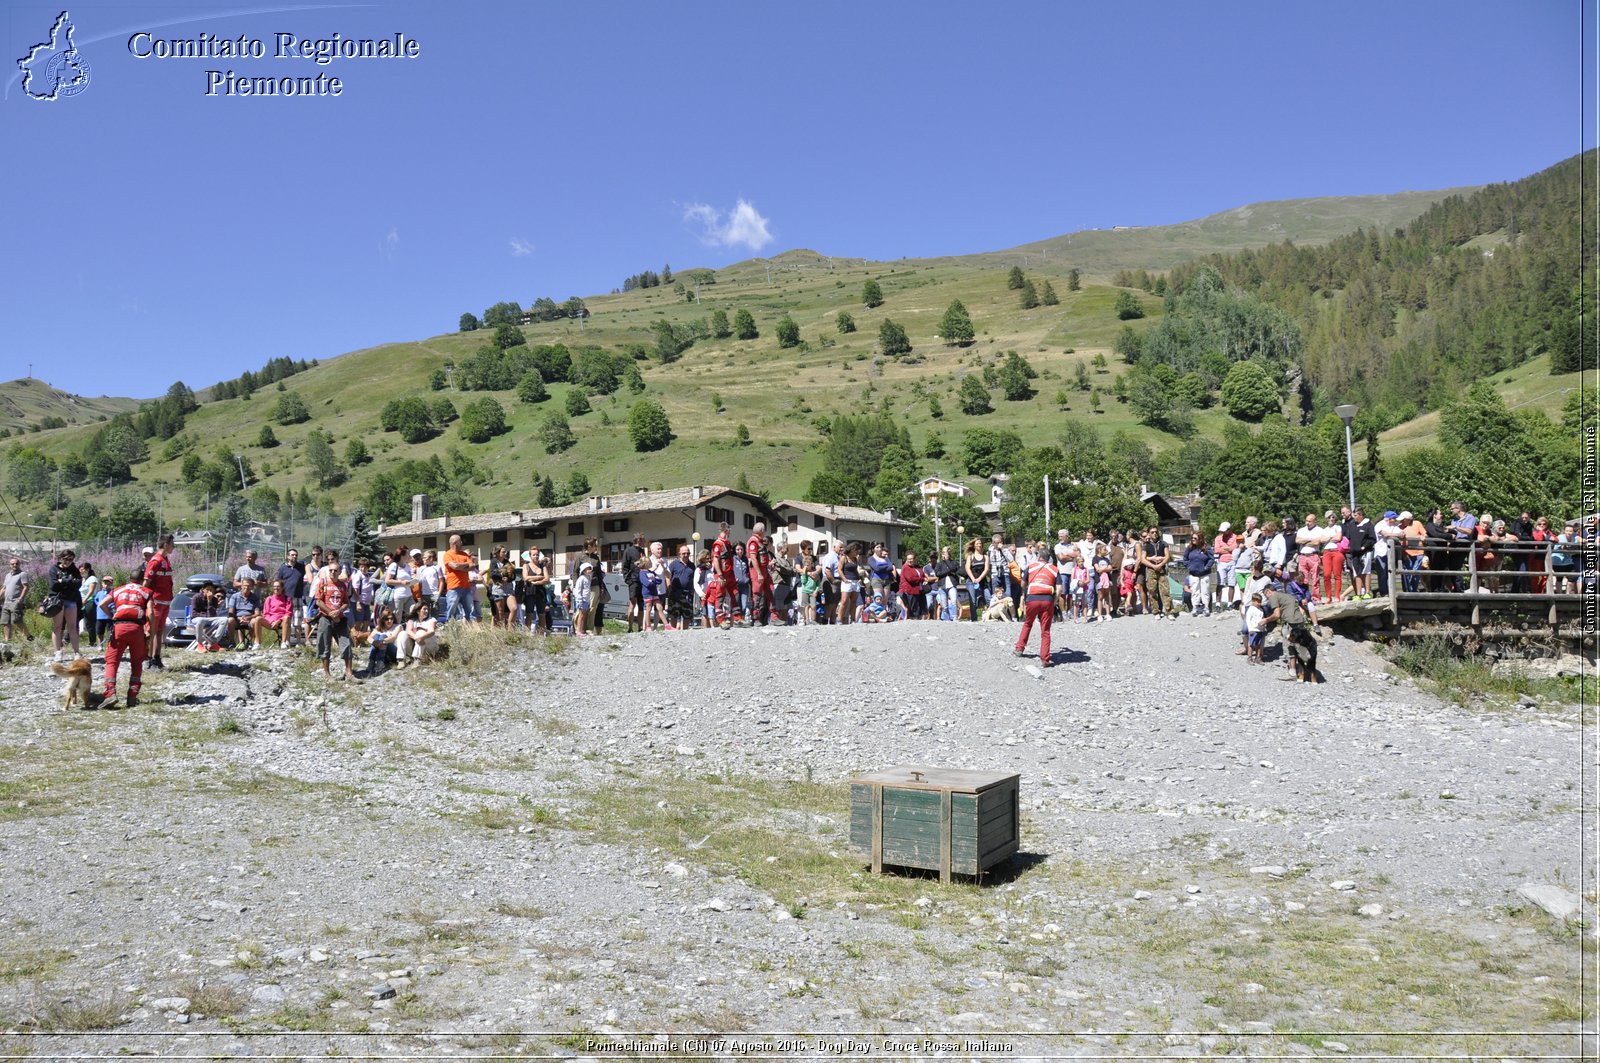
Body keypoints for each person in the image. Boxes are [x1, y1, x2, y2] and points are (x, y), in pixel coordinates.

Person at [97, 570, 156, 709]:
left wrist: (112, 615)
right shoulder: (146, 591)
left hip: (119, 628)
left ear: (129, 578)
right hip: (136, 629)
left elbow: (101, 604)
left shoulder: (118, 590)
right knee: (137, 663)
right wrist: (151, 631)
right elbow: (151, 612)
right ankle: (132, 696)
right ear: (142, 580)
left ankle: (110, 693)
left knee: (112, 662)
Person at [1262, 579, 1321, 683]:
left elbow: (1276, 614)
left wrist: (1265, 620)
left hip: (1290, 623)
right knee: (1301, 646)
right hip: (1300, 622)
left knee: (1289, 646)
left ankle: (1293, 672)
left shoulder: (1273, 596)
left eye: (1266, 595)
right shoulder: (1287, 595)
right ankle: (1305, 673)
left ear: (1268, 592)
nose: (1267, 598)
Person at [1013, 541, 1060, 666]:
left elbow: (1023, 583)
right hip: (1047, 599)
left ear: (1038, 556)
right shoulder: (1054, 569)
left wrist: (1025, 595)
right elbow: (1060, 589)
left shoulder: (1031, 566)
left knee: (1028, 623)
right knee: (1045, 630)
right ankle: (1045, 659)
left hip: (1032, 598)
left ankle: (1019, 649)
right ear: (1048, 558)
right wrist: (1054, 601)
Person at [316, 550, 358, 681]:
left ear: (340, 572)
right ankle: (327, 675)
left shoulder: (343, 586)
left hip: (340, 619)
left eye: (335, 571)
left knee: (346, 644)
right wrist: (330, 612)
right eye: (331, 570)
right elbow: (318, 601)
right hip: (325, 618)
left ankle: (349, 673)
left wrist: (338, 611)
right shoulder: (323, 583)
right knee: (324, 644)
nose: (333, 572)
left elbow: (346, 602)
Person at [47, 548, 83, 662]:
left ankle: (77, 652)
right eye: (65, 559)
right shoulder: (54, 569)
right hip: (57, 600)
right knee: (58, 627)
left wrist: (63, 581)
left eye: (71, 559)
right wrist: (69, 581)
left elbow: (78, 584)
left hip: (71, 600)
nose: (68, 561)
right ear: (60, 558)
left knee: (72, 627)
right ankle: (57, 651)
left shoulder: (75, 570)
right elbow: (53, 585)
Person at [442, 534, 479, 623]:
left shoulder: (464, 554)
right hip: (454, 588)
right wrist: (466, 564)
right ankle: (451, 631)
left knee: (470, 612)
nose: (462, 542)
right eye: (460, 541)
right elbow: (454, 566)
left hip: (466, 587)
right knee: (452, 612)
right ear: (455, 543)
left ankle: (470, 631)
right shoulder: (447, 555)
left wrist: (460, 566)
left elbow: (473, 566)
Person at [275, 547, 308, 645]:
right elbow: (279, 582)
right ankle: (286, 640)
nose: (294, 556)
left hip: (298, 597)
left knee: (298, 620)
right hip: (286, 598)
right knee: (287, 619)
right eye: (292, 555)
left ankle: (298, 642)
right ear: (288, 556)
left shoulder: (301, 567)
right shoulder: (283, 569)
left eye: (296, 555)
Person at [1139, 529, 1172, 620]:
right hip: (1151, 570)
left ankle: (1169, 611)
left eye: (1156, 532)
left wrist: (1161, 564)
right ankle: (1156, 611)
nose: (1154, 534)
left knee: (1165, 590)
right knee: (1152, 591)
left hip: (1162, 569)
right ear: (1149, 533)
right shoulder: (1146, 545)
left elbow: (1167, 556)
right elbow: (1143, 559)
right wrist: (1153, 566)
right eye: (1152, 532)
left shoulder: (1163, 543)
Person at [710, 524, 739, 629]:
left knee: (735, 594)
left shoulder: (727, 543)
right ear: (727, 530)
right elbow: (716, 560)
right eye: (729, 530)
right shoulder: (718, 544)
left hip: (729, 573)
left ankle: (738, 618)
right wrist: (720, 575)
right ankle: (721, 620)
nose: (730, 532)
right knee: (720, 596)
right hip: (722, 574)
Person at [187, 581, 230, 651]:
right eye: (207, 589)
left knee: (224, 619)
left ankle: (214, 643)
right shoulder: (196, 597)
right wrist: (204, 616)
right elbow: (194, 613)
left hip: (209, 619)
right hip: (197, 619)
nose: (209, 591)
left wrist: (209, 601)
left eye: (211, 590)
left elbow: (212, 615)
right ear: (203, 589)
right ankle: (200, 644)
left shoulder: (214, 599)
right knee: (201, 620)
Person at [395, 601, 440, 667]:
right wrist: (416, 637)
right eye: (424, 609)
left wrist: (421, 637)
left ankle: (417, 659)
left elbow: (431, 631)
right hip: (415, 646)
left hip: (429, 647)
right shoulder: (412, 620)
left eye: (427, 609)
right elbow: (408, 631)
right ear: (418, 611)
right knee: (402, 633)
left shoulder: (431, 620)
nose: (426, 611)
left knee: (421, 632)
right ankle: (401, 659)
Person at [226, 578, 265, 649]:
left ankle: (249, 642)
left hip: (249, 618)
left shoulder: (255, 597)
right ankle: (231, 642)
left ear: (252, 587)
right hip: (237, 618)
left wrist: (248, 618)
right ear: (241, 585)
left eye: (249, 586)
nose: (246, 587)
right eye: (245, 585)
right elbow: (230, 612)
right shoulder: (234, 596)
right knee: (230, 620)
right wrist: (239, 618)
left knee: (255, 621)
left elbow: (257, 613)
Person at [747, 523, 774, 626]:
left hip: (764, 570)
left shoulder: (759, 541)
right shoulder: (753, 541)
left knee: (771, 591)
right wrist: (759, 573)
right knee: (757, 595)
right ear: (762, 531)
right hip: (757, 571)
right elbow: (753, 558)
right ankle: (756, 618)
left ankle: (774, 617)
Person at [521, 548, 552, 633]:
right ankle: (527, 634)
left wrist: (536, 582)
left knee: (542, 614)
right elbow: (525, 578)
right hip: (530, 592)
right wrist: (539, 577)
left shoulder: (542, 566)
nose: (536, 556)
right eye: (534, 554)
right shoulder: (526, 566)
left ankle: (541, 635)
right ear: (530, 556)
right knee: (529, 614)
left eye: (537, 554)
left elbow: (547, 579)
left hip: (540, 592)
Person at [667, 543, 697, 630]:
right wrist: (669, 587)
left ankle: (684, 633)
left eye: (687, 553)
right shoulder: (674, 564)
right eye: (684, 553)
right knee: (674, 615)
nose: (686, 555)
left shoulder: (692, 565)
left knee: (687, 616)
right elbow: (667, 576)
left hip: (687, 594)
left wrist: (693, 590)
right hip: (675, 593)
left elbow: (694, 579)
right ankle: (673, 632)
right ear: (679, 554)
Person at [2, 557, 32, 643]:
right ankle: (7, 642)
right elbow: (4, 588)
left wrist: (20, 599)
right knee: (6, 623)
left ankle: (29, 637)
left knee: (17, 621)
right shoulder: (8, 575)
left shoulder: (22, 574)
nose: (15, 565)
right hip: (6, 602)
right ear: (9, 565)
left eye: (16, 563)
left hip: (15, 601)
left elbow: (26, 587)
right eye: (12, 564)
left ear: (19, 564)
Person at [1183, 536, 1215, 617]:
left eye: (1195, 538)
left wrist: (1207, 567)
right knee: (1194, 591)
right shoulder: (1189, 548)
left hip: (1205, 574)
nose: (1193, 539)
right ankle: (1195, 607)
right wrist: (1189, 566)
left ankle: (1206, 607)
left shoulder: (1207, 548)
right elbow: (1185, 558)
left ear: (1200, 539)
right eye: (1192, 538)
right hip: (1193, 574)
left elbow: (1211, 559)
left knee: (1205, 591)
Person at [366, 607, 401, 676]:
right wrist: (375, 642)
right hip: (382, 651)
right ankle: (372, 661)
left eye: (391, 618)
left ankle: (380, 662)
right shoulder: (379, 627)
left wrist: (382, 642)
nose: (390, 621)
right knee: (376, 637)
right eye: (387, 619)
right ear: (383, 620)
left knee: (383, 636)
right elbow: (369, 638)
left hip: (394, 652)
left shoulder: (397, 626)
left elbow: (393, 637)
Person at [262, 578, 294, 648]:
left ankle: (284, 642)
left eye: (278, 586)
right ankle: (257, 643)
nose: (276, 588)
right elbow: (266, 613)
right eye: (274, 586)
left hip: (283, 621)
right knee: (257, 619)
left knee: (287, 617)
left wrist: (278, 621)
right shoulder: (269, 599)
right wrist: (272, 622)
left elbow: (289, 612)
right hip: (271, 622)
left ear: (282, 588)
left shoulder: (288, 599)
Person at [1212, 522, 1238, 610]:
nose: (1223, 533)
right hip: (1221, 562)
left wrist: (1227, 549)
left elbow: (1235, 548)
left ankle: (1230, 603)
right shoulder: (1218, 538)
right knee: (1220, 583)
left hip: (1232, 561)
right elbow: (1216, 550)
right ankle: (1218, 604)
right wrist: (1229, 549)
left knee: (1232, 583)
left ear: (1229, 530)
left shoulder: (1235, 537)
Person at [963, 538, 989, 622]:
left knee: (988, 598)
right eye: (977, 543)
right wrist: (973, 579)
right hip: (971, 581)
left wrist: (979, 578)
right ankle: (974, 619)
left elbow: (986, 569)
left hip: (982, 581)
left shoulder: (985, 557)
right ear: (974, 545)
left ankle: (988, 616)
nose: (979, 545)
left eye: (980, 543)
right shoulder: (970, 557)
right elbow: (967, 568)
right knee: (973, 600)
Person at [897, 550, 924, 620]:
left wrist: (922, 578)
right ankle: (910, 621)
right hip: (908, 590)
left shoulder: (918, 567)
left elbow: (923, 574)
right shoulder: (906, 567)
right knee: (911, 609)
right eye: (908, 559)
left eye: (911, 559)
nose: (910, 561)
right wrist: (921, 579)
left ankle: (913, 620)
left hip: (916, 590)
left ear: (915, 559)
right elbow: (911, 579)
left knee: (915, 608)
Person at [1243, 592, 1267, 664]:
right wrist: (1250, 629)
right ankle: (1249, 657)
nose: (1259, 603)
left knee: (1259, 644)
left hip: (1260, 629)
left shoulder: (1261, 610)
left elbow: (1262, 618)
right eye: (1257, 602)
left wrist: (1263, 627)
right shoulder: (1251, 609)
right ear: (1253, 601)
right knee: (1251, 644)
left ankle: (1258, 657)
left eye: (1260, 602)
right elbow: (1248, 619)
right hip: (1253, 629)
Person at [572, 561, 593, 636]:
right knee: (581, 615)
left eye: (590, 569)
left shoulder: (588, 578)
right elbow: (578, 590)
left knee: (584, 616)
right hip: (582, 600)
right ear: (583, 570)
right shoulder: (581, 578)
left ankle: (582, 630)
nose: (589, 570)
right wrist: (579, 600)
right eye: (587, 569)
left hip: (586, 600)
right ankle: (578, 630)